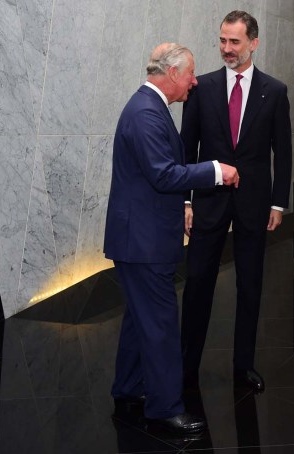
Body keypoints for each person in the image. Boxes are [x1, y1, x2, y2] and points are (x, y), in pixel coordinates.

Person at [103, 43, 240, 434]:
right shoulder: (146, 112)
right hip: (143, 243)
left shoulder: (149, 107)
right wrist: (216, 170)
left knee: (139, 319)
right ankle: (164, 407)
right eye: (191, 74)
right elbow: (163, 174)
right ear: (174, 74)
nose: (195, 81)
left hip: (141, 239)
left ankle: (129, 387)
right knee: (161, 323)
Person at [180, 10, 292, 392]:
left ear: (253, 43)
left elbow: (284, 151)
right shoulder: (201, 87)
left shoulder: (274, 91)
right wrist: (185, 202)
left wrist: (278, 204)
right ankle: (185, 366)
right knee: (197, 283)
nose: (227, 49)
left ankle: (243, 366)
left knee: (250, 285)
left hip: (254, 204)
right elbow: (186, 149)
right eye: (223, 41)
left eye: (235, 42)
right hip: (208, 201)